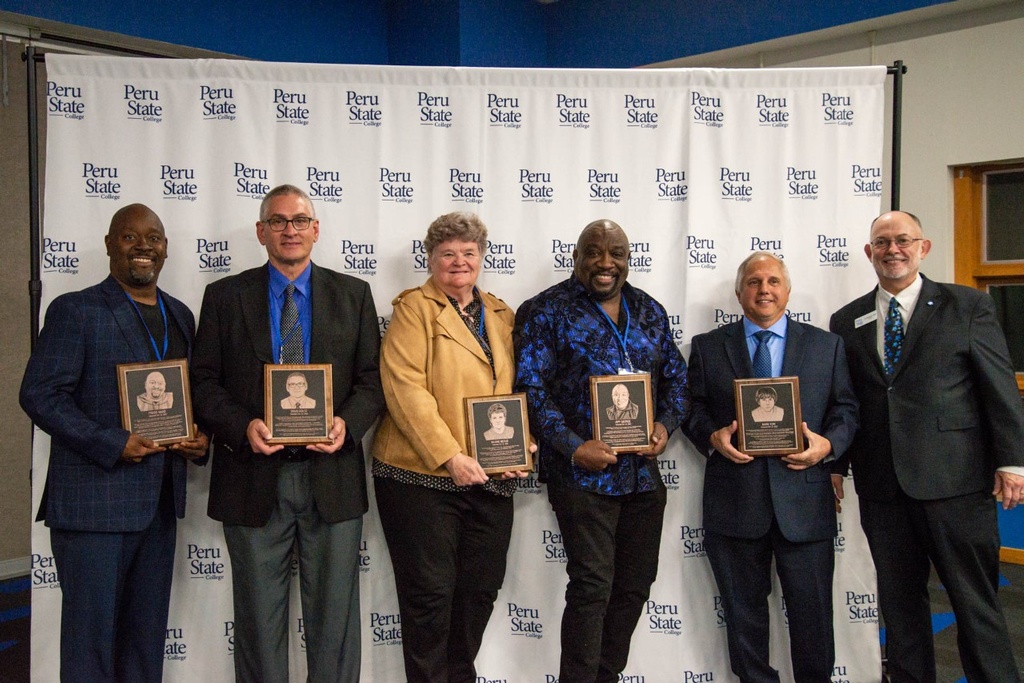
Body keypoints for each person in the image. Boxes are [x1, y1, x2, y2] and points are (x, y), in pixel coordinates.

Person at [190, 184, 384, 683]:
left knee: (335, 624)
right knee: (257, 621)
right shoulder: (223, 296)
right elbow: (203, 382)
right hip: (252, 476)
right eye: (277, 221)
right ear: (261, 231)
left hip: (332, 476)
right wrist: (242, 426)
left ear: (316, 230)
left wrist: (347, 424)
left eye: (299, 220)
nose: (289, 230)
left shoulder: (354, 294)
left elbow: (372, 381)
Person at [830, 210, 1024, 683]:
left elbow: (998, 388)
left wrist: (1013, 461)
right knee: (900, 610)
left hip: (955, 485)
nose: (892, 249)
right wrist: (835, 464)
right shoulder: (846, 320)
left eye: (902, 240)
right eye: (881, 242)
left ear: (924, 247)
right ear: (868, 252)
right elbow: (843, 401)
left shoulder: (968, 306)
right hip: (882, 487)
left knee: (974, 605)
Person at [20, 203, 208, 682]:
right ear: (109, 245)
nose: (144, 245)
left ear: (166, 249)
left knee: (144, 647)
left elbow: (190, 398)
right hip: (94, 506)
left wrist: (197, 441)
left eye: (155, 237)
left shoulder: (181, 315)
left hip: (159, 506)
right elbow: (40, 395)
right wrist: (112, 442)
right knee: (90, 648)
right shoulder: (75, 309)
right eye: (130, 237)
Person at [514, 218, 688, 682]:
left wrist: (665, 427)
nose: (605, 263)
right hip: (581, 476)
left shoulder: (649, 310)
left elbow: (678, 380)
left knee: (633, 587)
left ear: (628, 259)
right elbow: (530, 389)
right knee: (592, 587)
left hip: (642, 476)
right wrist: (573, 448)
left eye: (616, 253)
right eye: (594, 252)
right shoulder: (544, 310)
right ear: (577, 257)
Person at [682, 251, 858, 682]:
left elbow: (847, 409)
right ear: (739, 292)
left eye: (774, 281)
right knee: (744, 623)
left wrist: (827, 446)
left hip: (804, 503)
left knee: (813, 620)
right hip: (735, 504)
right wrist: (712, 436)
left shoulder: (826, 345)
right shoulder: (708, 347)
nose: (765, 289)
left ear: (787, 290)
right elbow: (690, 407)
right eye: (755, 282)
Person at [372, 212, 530, 682]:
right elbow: (405, 387)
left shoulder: (502, 313)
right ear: (431, 259)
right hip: (420, 478)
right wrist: (449, 456)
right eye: (447, 254)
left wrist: (521, 444)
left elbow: (515, 389)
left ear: (482, 257)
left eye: (468, 252)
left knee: (479, 592)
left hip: (491, 476)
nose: (458, 262)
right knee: (430, 597)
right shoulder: (412, 309)